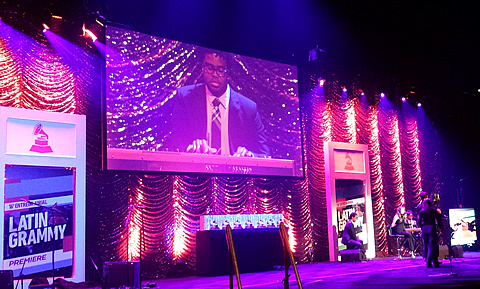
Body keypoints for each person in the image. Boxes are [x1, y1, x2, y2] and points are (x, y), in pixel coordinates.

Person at [169, 49, 270, 158]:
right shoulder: (185, 98)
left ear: (229, 73)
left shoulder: (248, 108)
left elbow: (265, 155)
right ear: (203, 68)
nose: (214, 74)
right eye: (209, 68)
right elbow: (175, 143)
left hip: (234, 173)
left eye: (220, 70)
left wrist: (249, 156)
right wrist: (191, 147)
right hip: (197, 171)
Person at [418, 199, 444, 268]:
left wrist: (423, 227)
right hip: (432, 229)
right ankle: (431, 262)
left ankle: (430, 261)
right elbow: (439, 221)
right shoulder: (433, 211)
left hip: (425, 229)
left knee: (427, 246)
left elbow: (419, 222)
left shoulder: (422, 212)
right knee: (432, 246)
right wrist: (442, 229)